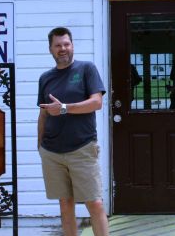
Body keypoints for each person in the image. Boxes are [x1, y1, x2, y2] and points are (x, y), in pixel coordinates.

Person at [37, 27, 109, 236]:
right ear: (50, 49)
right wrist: (40, 146)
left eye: (66, 44)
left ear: (72, 46)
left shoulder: (86, 69)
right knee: (65, 204)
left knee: (94, 203)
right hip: (52, 152)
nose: (63, 48)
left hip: (82, 149)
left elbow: (96, 103)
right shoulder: (45, 78)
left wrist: (64, 108)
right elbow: (43, 114)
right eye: (58, 45)